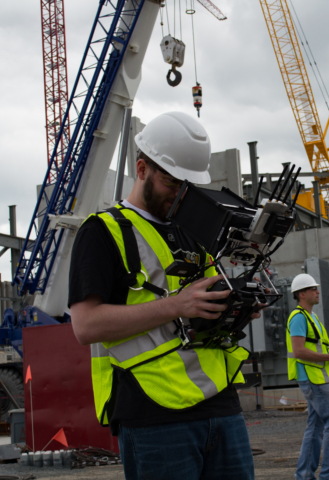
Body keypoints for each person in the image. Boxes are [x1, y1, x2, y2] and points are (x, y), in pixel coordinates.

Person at [68, 111, 255, 480]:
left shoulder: (192, 233)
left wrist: (238, 306)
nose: (182, 194)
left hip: (220, 406)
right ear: (141, 170)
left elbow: (209, 299)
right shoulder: (103, 232)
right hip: (153, 413)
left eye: (189, 185)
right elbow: (85, 326)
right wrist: (177, 305)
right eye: (173, 182)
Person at [286, 274, 329, 480]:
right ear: (302, 294)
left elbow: (315, 347)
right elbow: (299, 351)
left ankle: (304, 475)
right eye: (313, 288)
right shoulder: (298, 317)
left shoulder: (311, 317)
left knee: (316, 426)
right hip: (313, 379)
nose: (318, 291)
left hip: (317, 377)